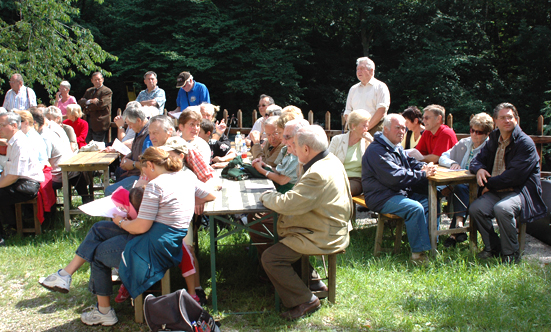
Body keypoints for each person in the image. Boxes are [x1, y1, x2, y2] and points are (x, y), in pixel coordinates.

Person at [39, 146, 216, 325]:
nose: (144, 176)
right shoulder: (185, 178)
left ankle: (104, 311)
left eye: (144, 170)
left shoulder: (156, 186)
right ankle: (64, 275)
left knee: (98, 254)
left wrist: (119, 221)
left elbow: (140, 226)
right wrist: (185, 201)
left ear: (150, 165)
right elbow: (210, 195)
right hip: (166, 243)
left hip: (152, 248)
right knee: (99, 228)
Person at [260, 125, 352, 320]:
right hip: (328, 225)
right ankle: (311, 281)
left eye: (294, 145)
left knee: (271, 257)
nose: (291, 149)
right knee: (266, 226)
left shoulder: (317, 172)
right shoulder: (330, 160)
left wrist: (266, 197)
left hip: (324, 233)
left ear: (307, 149)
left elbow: (289, 204)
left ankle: (305, 299)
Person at [469, 103, 547, 263]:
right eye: (503, 117)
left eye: (510, 117)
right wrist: (479, 170)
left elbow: (514, 177)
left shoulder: (525, 143)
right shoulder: (494, 138)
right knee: (476, 209)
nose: (507, 120)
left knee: (502, 209)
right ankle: (493, 247)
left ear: (516, 120)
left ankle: (511, 255)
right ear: (495, 121)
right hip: (497, 190)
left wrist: (488, 185)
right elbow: (476, 160)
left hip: (520, 191)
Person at [362, 114, 437, 263]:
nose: (402, 131)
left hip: (396, 192)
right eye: (398, 128)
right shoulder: (377, 150)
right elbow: (395, 177)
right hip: (381, 196)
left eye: (404, 128)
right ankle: (418, 256)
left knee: (432, 199)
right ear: (385, 130)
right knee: (415, 208)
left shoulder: (395, 146)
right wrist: (422, 174)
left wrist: (423, 166)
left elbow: (410, 161)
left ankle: (432, 244)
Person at [438, 113, 494, 247]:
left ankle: (454, 232)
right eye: (472, 130)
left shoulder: (490, 148)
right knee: (459, 189)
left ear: (487, 133)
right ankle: (458, 227)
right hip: (459, 185)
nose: (474, 134)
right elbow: (442, 157)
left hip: (481, 186)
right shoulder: (464, 143)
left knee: (463, 189)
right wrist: (452, 163)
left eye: (479, 132)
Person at [0, 112, 44, 245]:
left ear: (14, 125)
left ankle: (3, 234)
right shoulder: (13, 142)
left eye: (2, 125)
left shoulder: (20, 143)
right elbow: (9, 172)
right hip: (20, 182)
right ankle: (10, 227)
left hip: (27, 185)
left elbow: (13, 176)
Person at [30, 109, 90, 203]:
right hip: (67, 169)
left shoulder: (45, 136)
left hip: (59, 173)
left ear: (34, 123)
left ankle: (44, 213)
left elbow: (44, 161)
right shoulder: (52, 127)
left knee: (27, 183)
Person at [104, 103, 152, 196]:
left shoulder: (149, 134)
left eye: (130, 124)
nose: (129, 127)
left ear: (138, 120)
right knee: (119, 173)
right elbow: (136, 148)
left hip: (142, 177)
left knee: (110, 192)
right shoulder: (140, 130)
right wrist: (128, 157)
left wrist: (133, 164)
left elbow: (148, 164)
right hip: (135, 173)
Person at [328, 109, 373, 196]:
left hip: (356, 180)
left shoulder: (368, 143)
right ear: (353, 126)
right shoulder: (337, 140)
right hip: (337, 177)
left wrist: (372, 141)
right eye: (364, 126)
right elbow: (328, 161)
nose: (366, 129)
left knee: (339, 190)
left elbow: (378, 159)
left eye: (367, 126)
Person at [344, 57, 390, 135]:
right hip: (355, 132)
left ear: (371, 71)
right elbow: (348, 112)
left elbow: (381, 111)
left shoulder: (380, 87)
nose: (358, 71)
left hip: (375, 130)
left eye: (361, 68)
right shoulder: (353, 89)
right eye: (357, 69)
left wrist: (365, 128)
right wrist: (354, 129)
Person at [78, 72, 112, 143]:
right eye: (95, 80)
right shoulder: (89, 91)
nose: (97, 81)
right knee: (87, 144)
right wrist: (90, 101)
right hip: (88, 121)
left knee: (97, 146)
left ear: (102, 80)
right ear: (92, 81)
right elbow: (81, 102)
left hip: (99, 123)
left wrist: (87, 105)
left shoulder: (106, 91)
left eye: (99, 79)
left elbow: (101, 105)